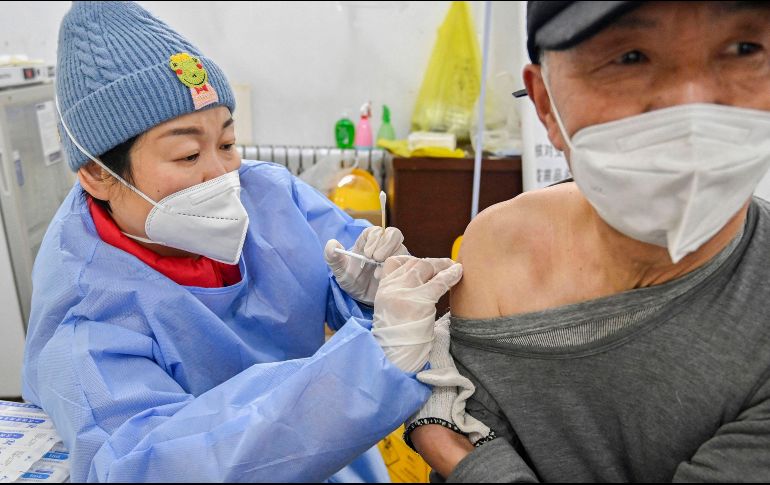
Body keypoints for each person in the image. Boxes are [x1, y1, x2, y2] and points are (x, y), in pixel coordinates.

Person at [22, 2, 463, 482]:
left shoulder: (268, 195)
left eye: (227, 144)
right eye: (188, 154)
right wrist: (375, 361)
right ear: (96, 174)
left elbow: (348, 270)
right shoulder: (86, 317)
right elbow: (158, 466)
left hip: (337, 452)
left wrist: (371, 291)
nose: (222, 175)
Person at [405, 1, 770, 482]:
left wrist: (446, 444)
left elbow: (465, 438)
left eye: (744, 49)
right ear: (545, 106)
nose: (690, 108)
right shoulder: (503, 245)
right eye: (630, 57)